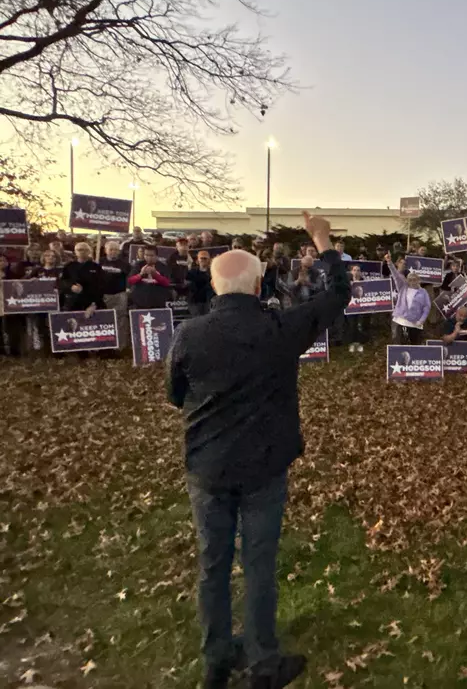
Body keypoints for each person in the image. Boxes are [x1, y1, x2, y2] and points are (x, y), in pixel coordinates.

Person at [166, 212, 350, 689]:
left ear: (214, 285)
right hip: (263, 466)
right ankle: (260, 662)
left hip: (209, 465)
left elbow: (175, 393)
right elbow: (338, 295)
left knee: (213, 563)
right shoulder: (280, 329)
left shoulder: (189, 334)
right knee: (258, 563)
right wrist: (323, 241)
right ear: (257, 285)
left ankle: (217, 660)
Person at [388, 257, 431, 344]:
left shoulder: (423, 292)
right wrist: (389, 263)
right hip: (400, 319)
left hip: (416, 322)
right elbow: (395, 275)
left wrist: (421, 320)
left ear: (419, 280)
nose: (412, 281)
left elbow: (427, 307)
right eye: (410, 280)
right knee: (398, 342)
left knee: (415, 344)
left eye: (415, 279)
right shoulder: (403, 288)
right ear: (407, 280)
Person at [101, 241, 132, 347]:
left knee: (121, 320)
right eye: (111, 249)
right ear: (106, 251)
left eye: (116, 250)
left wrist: (127, 290)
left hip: (120, 295)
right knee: (104, 319)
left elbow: (130, 279)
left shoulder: (125, 264)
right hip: (104, 295)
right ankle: (105, 345)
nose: (113, 252)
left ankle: (120, 346)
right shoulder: (99, 262)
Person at [60, 241, 104, 312]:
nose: (83, 252)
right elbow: (62, 282)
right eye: (80, 250)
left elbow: (100, 286)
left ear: (89, 252)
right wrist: (71, 286)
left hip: (90, 303)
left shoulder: (96, 267)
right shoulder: (69, 266)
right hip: (72, 302)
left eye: (85, 250)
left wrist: (94, 304)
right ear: (75, 252)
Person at [188, 250, 215, 317]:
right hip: (195, 301)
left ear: (209, 260)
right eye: (201, 258)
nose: (203, 260)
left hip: (209, 301)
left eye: (205, 258)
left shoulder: (214, 272)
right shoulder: (191, 272)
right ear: (197, 260)